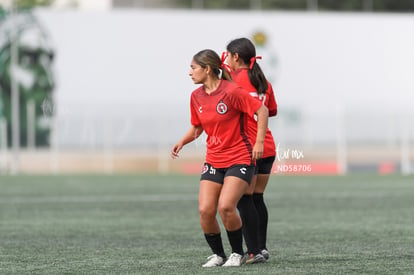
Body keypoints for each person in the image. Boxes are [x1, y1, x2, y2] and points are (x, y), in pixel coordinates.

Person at [171, 49, 269, 267]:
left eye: (193, 67)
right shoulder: (195, 96)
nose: (190, 72)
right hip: (214, 159)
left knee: (226, 206)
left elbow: (262, 111)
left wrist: (259, 142)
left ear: (207, 69)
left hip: (240, 157)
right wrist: (182, 142)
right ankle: (218, 255)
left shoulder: (232, 91)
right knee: (205, 210)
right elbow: (198, 127)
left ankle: (237, 253)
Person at [225, 37, 278, 262]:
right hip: (267, 145)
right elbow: (271, 110)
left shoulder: (233, 81)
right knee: (257, 198)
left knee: (244, 200)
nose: (226, 59)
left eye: (228, 55)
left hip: (249, 147)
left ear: (236, 57)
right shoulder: (262, 80)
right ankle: (261, 248)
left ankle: (254, 251)